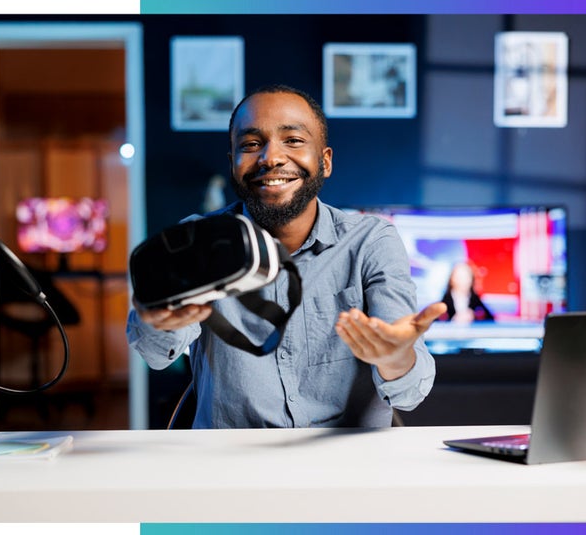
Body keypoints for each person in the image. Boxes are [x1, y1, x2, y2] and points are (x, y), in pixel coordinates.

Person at [127, 84, 446, 428]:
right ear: (233, 163)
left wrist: (396, 358)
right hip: (233, 467)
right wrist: (158, 322)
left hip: (349, 470)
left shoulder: (371, 241)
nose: (271, 158)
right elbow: (156, 354)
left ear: (325, 162)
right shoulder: (198, 239)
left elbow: (409, 394)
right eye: (251, 145)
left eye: (292, 140)